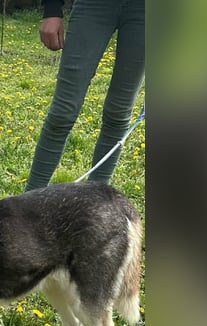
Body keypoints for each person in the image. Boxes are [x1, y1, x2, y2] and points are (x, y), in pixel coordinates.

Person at [25, 0, 145, 190]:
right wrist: (52, 10)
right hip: (94, 6)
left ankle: (97, 202)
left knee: (118, 112)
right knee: (62, 112)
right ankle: (25, 207)